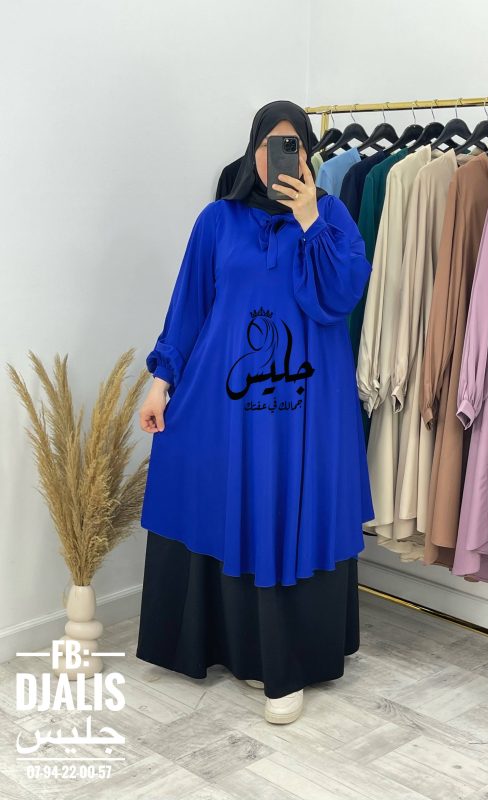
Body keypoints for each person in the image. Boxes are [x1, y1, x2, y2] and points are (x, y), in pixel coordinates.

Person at [135, 99, 374, 725]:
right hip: (227, 403)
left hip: (307, 407)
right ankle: (237, 649)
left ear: (309, 154)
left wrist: (309, 219)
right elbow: (189, 306)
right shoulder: (217, 220)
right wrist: (161, 382)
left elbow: (342, 296)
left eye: (294, 145)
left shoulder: (332, 215)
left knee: (294, 506)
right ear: (254, 151)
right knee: (231, 500)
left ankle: (289, 661)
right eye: (272, 145)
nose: (281, 157)